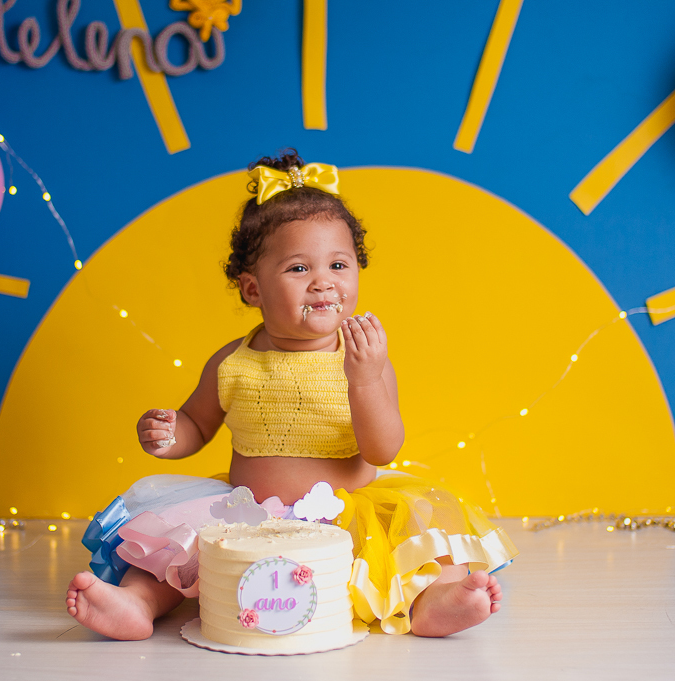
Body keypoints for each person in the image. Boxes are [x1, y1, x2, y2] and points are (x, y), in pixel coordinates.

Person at [65, 149, 517, 640]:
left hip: (349, 514)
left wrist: (363, 380)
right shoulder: (232, 361)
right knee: (177, 547)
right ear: (253, 289)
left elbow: (383, 449)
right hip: (248, 512)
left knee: (418, 536)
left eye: (339, 264)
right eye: (299, 269)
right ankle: (137, 603)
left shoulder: (363, 355)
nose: (324, 281)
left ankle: (433, 602)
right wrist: (169, 433)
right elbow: (197, 424)